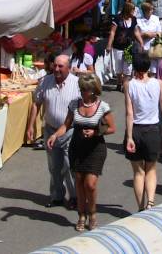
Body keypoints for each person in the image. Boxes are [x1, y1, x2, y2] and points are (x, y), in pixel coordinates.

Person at [47, 74, 115, 231]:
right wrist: (55, 135)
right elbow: (66, 125)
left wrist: (96, 132)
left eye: (85, 89)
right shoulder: (74, 104)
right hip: (77, 147)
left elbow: (111, 128)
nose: (82, 92)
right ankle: (81, 215)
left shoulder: (103, 106)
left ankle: (92, 214)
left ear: (93, 90)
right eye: (81, 89)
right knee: (78, 181)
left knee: (90, 184)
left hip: (95, 148)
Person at [28, 55, 81, 209]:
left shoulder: (76, 84)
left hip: (70, 130)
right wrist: (31, 126)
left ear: (68, 67)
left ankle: (75, 197)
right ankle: (57, 196)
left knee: (69, 164)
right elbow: (36, 104)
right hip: (50, 129)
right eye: (55, 66)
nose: (56, 69)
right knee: (54, 166)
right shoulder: (45, 82)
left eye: (60, 66)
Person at [124, 53, 162, 211]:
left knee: (138, 172)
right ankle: (150, 202)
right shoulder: (158, 83)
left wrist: (129, 136)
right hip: (153, 129)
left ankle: (140, 207)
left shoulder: (129, 84)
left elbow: (129, 113)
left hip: (136, 129)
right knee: (151, 169)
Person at [107, 2, 142, 88]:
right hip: (118, 47)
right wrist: (109, 45)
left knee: (128, 68)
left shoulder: (134, 19)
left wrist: (141, 42)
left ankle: (125, 86)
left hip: (129, 47)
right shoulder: (117, 18)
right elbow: (112, 32)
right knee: (118, 67)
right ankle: (119, 83)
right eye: (132, 11)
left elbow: (136, 32)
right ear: (127, 10)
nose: (133, 13)